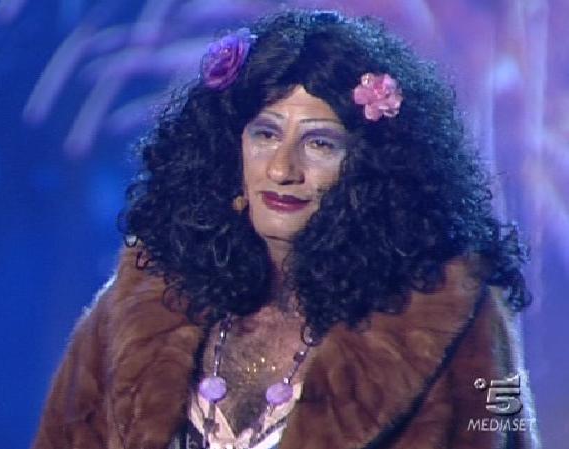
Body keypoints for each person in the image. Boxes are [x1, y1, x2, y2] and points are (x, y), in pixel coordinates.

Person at [30, 9, 539, 449]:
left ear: (371, 167)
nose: (282, 169)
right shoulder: (138, 303)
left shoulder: (458, 317)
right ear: (229, 148)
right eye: (266, 134)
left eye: (319, 144)